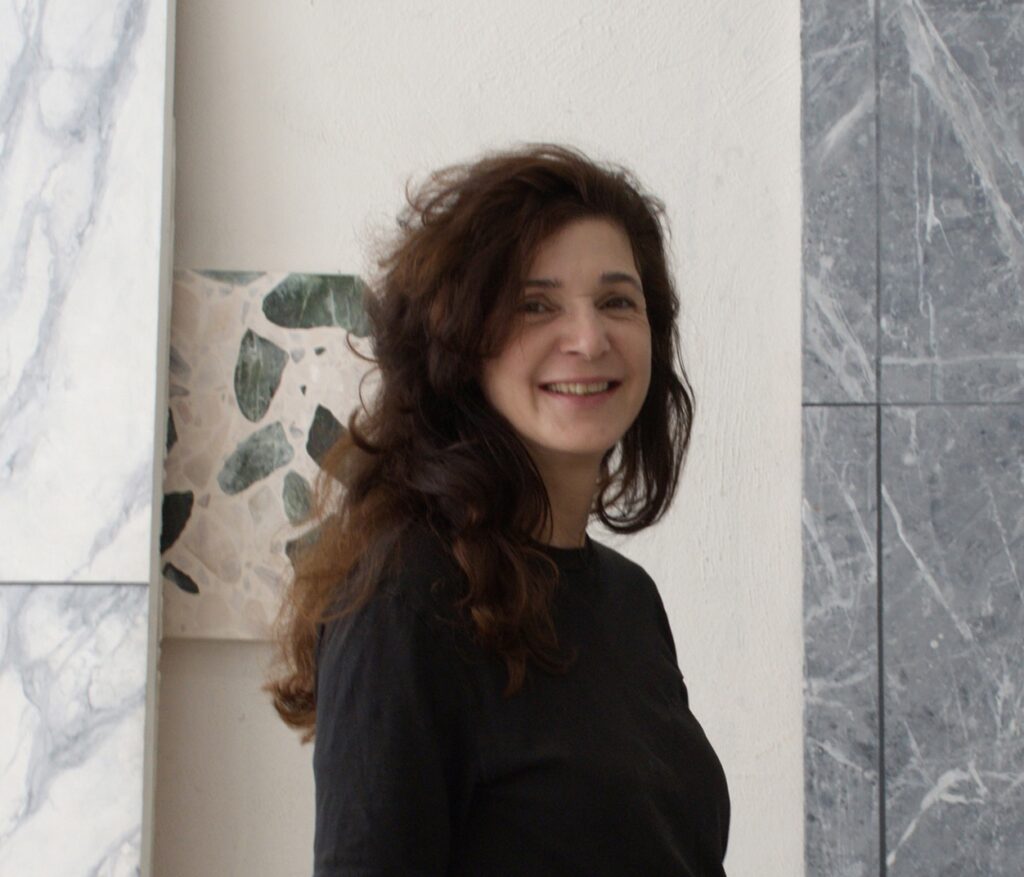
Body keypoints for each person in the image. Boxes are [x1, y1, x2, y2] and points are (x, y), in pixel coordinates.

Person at [265, 143, 730, 875]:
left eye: (617, 301)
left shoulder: (630, 600)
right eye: (535, 305)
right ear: (459, 346)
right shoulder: (403, 600)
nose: (589, 338)